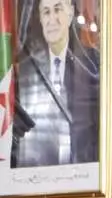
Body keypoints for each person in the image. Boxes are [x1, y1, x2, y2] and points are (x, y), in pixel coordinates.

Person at [12, 0, 101, 168]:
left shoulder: (93, 65)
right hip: (34, 178)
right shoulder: (24, 71)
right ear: (40, 19)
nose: (52, 19)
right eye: (46, 12)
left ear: (70, 14)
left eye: (57, 9)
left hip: (85, 176)